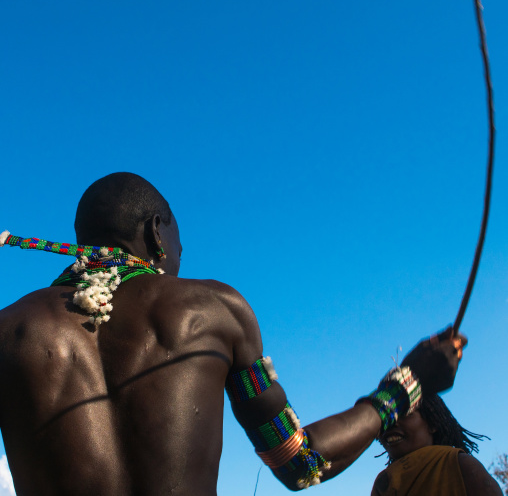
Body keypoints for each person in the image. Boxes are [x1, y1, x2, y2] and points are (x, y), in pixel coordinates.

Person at [0, 172, 465, 495]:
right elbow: (300, 463)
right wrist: (404, 387)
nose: (181, 253)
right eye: (180, 239)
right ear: (157, 233)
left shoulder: (9, 330)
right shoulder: (215, 309)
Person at [372, 394, 502, 495]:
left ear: (432, 423)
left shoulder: (456, 462)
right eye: (386, 419)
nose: (391, 424)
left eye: (405, 414)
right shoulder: (385, 480)